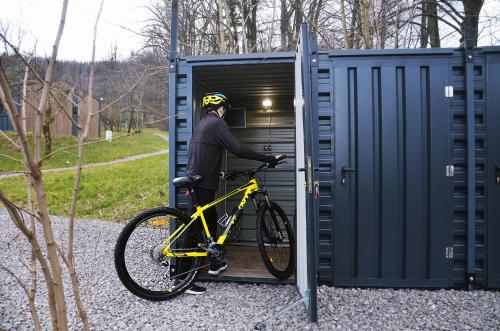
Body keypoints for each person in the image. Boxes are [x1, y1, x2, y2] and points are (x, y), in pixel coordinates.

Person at [182, 92, 279, 295]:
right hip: (202, 182)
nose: (224, 112)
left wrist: (216, 173)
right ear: (220, 108)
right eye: (224, 109)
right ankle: (183, 279)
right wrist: (267, 158)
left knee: (208, 221)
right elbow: (238, 149)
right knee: (198, 227)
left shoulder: (202, 124)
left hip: (199, 178)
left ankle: (215, 263)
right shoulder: (217, 124)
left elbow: (201, 153)